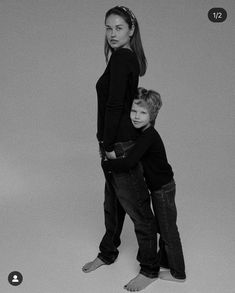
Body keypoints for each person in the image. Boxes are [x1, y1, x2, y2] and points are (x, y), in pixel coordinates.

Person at [82, 6, 159, 291]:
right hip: (115, 141)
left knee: (137, 208)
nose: (112, 34)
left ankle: (150, 269)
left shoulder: (122, 59)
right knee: (113, 204)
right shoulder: (123, 58)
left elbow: (115, 106)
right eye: (108, 28)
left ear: (131, 30)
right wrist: (104, 140)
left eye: (118, 28)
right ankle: (108, 253)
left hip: (120, 144)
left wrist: (109, 145)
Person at [102, 87, 186, 282]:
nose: (136, 116)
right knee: (162, 227)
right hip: (158, 187)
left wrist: (107, 164)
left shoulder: (149, 136)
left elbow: (130, 162)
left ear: (153, 115)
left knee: (168, 230)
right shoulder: (141, 132)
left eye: (143, 112)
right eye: (133, 111)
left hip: (163, 188)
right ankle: (165, 261)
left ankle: (178, 273)